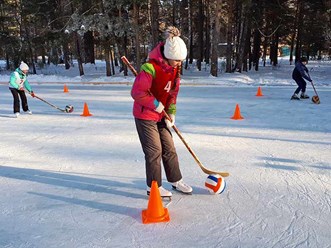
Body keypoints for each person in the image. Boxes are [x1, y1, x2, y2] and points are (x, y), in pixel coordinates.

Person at [131, 26, 192, 197]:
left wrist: (171, 112)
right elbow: (137, 93)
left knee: (169, 148)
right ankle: (154, 186)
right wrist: (156, 104)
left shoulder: (174, 69)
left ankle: (175, 180)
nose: (179, 63)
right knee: (154, 151)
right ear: (168, 55)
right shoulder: (149, 67)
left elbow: (173, 93)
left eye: (181, 60)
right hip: (145, 115)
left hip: (161, 114)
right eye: (177, 60)